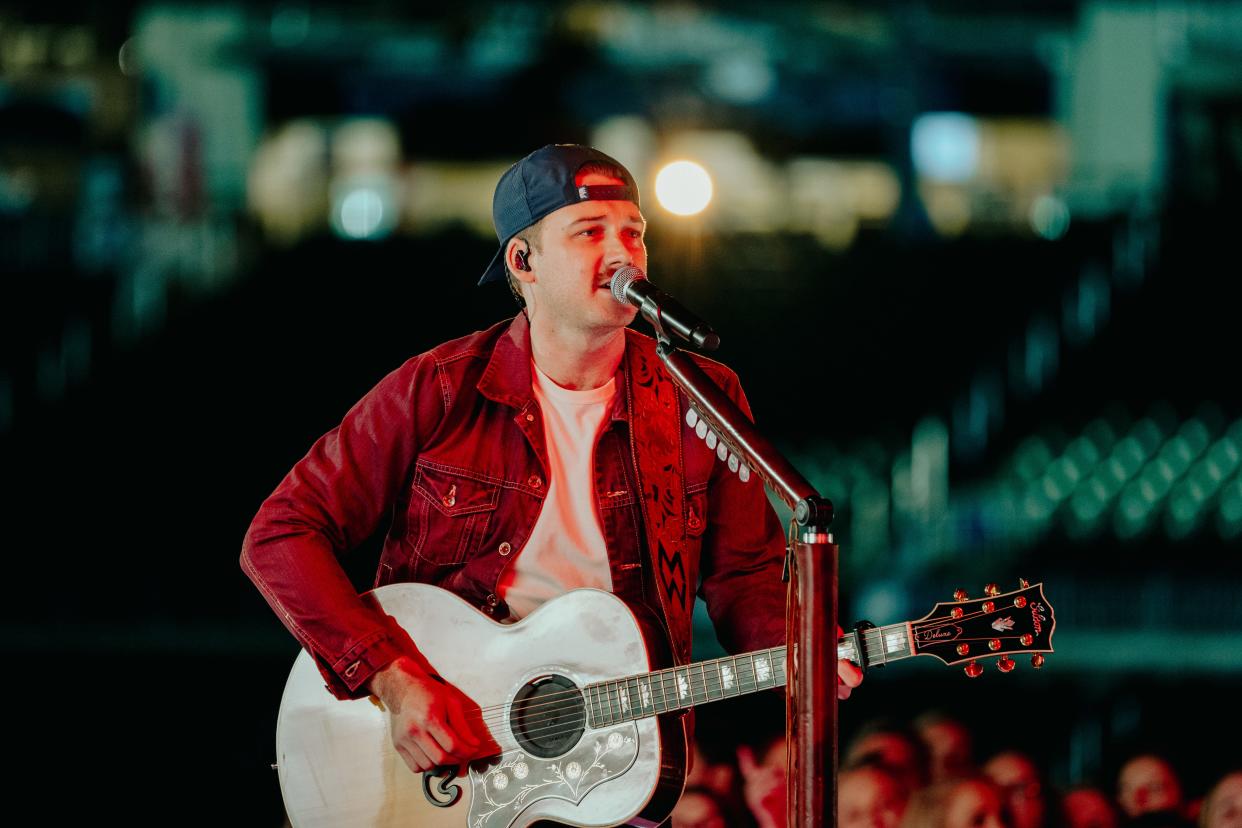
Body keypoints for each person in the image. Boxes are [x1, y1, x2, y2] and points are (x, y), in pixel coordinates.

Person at [241, 143, 863, 786]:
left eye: (634, 233)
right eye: (590, 232)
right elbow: (280, 533)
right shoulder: (441, 389)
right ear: (523, 260)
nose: (623, 253)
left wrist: (798, 644)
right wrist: (396, 680)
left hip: (624, 762)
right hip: (451, 759)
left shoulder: (701, 396)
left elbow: (743, 576)